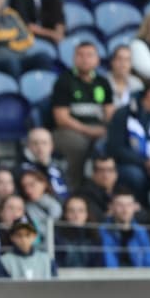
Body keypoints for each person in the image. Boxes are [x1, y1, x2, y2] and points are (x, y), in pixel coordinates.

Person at [52, 41, 115, 189]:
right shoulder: (64, 80)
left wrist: (106, 129)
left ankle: (106, 189)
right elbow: (61, 119)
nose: (85, 59)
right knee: (78, 145)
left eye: (89, 55)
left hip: (98, 128)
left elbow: (110, 113)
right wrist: (89, 131)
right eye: (80, 55)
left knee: (113, 142)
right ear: (74, 58)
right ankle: (75, 187)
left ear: (97, 59)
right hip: (70, 130)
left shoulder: (103, 82)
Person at [106, 83, 150, 199]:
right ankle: (140, 207)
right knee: (135, 175)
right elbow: (116, 148)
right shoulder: (124, 114)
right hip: (128, 163)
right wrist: (146, 162)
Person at [99, 191, 150, 267]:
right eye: (120, 205)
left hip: (139, 273)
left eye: (129, 205)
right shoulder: (103, 231)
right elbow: (107, 261)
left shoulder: (141, 232)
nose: (125, 210)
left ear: (135, 207)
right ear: (111, 207)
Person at [55, 194, 99, 268]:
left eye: (81, 211)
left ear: (87, 214)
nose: (76, 215)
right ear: (65, 214)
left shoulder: (95, 236)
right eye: (71, 211)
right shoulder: (57, 237)